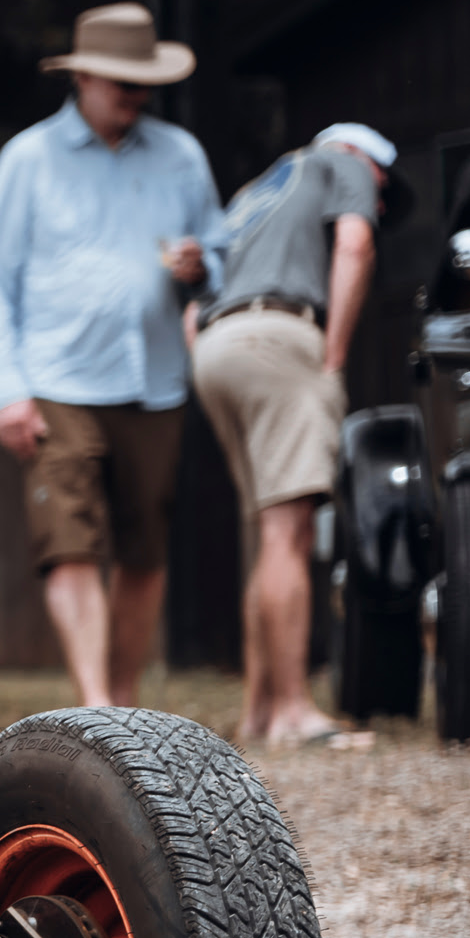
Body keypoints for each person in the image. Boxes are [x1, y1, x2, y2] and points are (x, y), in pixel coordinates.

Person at [0, 3, 223, 709]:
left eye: (142, 81)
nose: (133, 94)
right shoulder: (29, 159)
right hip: (57, 383)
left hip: (154, 382)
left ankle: (126, 704)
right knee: (68, 542)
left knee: (143, 552)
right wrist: (6, 391)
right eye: (119, 80)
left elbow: (223, 252)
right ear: (82, 78)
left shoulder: (182, 156)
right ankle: (95, 702)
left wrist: (205, 267)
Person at [188, 122, 400, 748]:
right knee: (290, 532)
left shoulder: (256, 191)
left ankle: (258, 714)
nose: (379, 202)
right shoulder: (342, 165)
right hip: (283, 338)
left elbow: (192, 303)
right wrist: (332, 356)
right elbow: (356, 245)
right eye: (383, 186)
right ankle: (293, 713)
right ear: (363, 156)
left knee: (266, 535)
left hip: (218, 347)